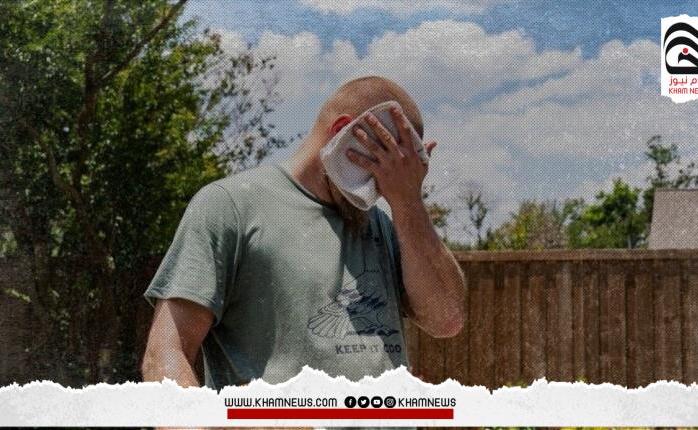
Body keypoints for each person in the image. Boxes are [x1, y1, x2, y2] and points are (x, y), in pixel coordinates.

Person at [140, 76, 467, 392]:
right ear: (343, 132)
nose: (382, 188)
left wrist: (409, 201)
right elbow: (165, 354)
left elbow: (447, 320)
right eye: (383, 164)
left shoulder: (385, 224)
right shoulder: (231, 206)